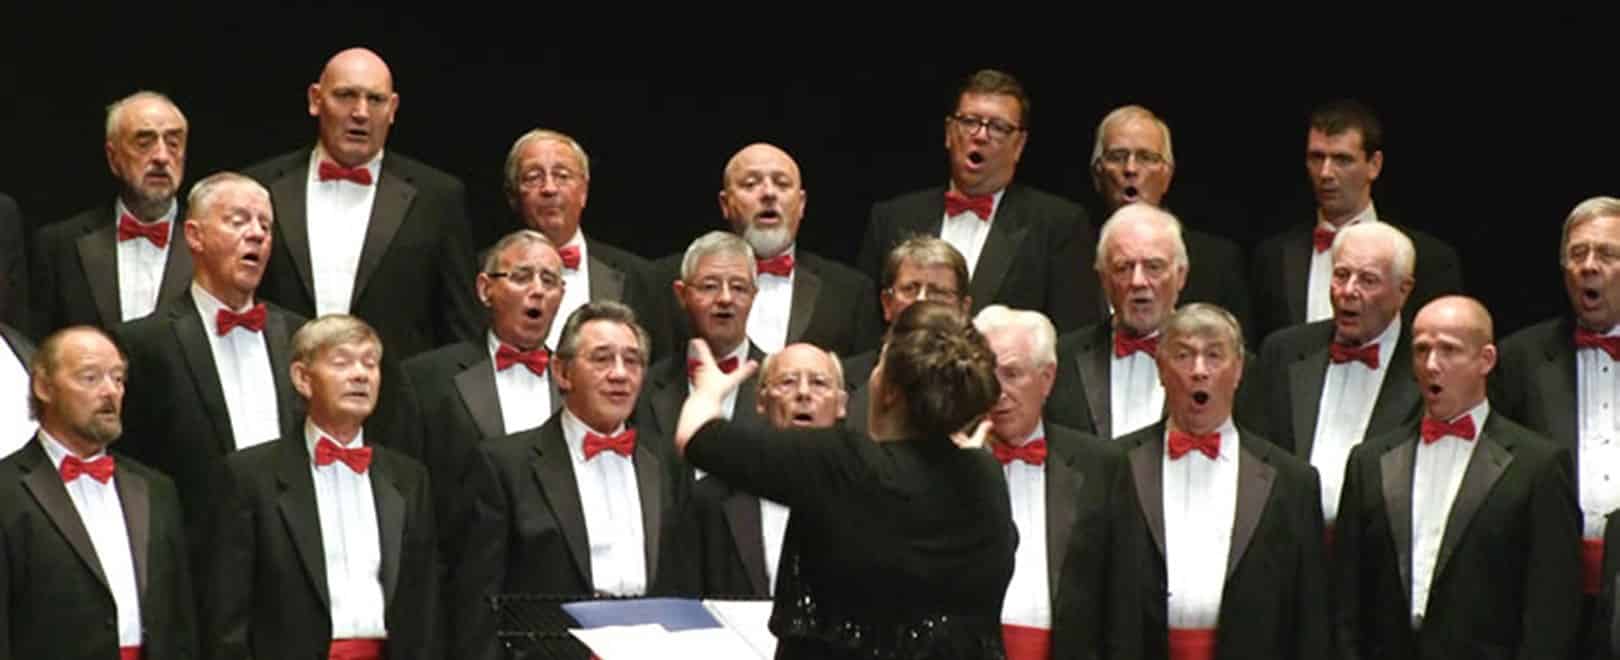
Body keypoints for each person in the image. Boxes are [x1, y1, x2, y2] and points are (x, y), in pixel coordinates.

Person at [675, 300, 1015, 659]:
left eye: (880, 363)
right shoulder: (985, 474)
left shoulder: (844, 462)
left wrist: (709, 390)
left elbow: (697, 437)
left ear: (891, 391)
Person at [1336, 296, 1581, 658]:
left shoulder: (1537, 465)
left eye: (1448, 350)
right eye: (1421, 350)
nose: (1431, 364)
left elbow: (1551, 608)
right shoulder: (1369, 461)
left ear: (1486, 360)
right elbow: (1348, 597)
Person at [451, 301, 692, 660]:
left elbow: (686, 582)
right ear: (561, 372)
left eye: (633, 361)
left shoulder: (667, 461)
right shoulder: (505, 464)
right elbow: (478, 602)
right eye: (601, 359)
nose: (620, 374)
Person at [199, 314, 438, 660]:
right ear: (302, 378)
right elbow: (227, 615)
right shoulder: (250, 477)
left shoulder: (409, 478)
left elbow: (425, 605)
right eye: (342, 362)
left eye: (370, 364)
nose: (360, 374)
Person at [1103, 303, 1332, 660]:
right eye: (1183, 355)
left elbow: (1311, 616)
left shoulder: (1293, 481)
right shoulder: (1114, 465)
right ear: (1160, 368)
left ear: (1238, 369)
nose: (1198, 371)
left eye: (1214, 356)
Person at [244, 47, 480, 362]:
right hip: (281, 393)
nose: (361, 112)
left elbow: (460, 325)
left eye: (375, 99)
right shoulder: (259, 187)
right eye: (345, 96)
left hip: (397, 400)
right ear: (315, 99)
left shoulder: (437, 197)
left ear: (393, 108)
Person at [114, 172, 306, 529]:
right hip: (195, 541)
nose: (257, 234)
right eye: (239, 221)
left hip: (289, 547)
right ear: (194, 236)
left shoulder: (298, 335)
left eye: (266, 225)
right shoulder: (144, 343)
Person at [0, 326, 197, 660]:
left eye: (118, 379)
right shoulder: (6, 489)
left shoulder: (156, 489)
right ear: (44, 387)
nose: (110, 392)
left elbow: (179, 619)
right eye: (90, 378)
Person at [858, 69, 1103, 333]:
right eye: (969, 121)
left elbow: (1075, 335)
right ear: (949, 133)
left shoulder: (1059, 225)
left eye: (998, 127)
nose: (980, 135)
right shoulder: (893, 217)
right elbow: (867, 326)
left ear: (1019, 145)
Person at [1492, 195, 1620, 642]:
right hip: (1545, 588)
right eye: (1577, 254)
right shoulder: (1520, 358)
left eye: (1606, 254)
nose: (1589, 266)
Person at [973, 304, 1123, 660]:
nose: (998, 391)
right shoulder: (952, 463)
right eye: (986, 374)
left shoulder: (1101, 466)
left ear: (1047, 378)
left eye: (1012, 374)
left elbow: (1121, 592)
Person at [1250, 99, 1463, 343]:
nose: (1325, 173)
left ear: (1374, 165)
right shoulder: (1272, 256)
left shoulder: (1429, 258)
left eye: (1342, 159)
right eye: (1317, 157)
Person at [1255, 222, 1423, 530]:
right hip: (1291, 540)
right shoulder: (1284, 351)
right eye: (1341, 275)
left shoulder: (1425, 367)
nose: (1348, 291)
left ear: (1404, 290)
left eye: (1368, 280)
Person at [657, 143, 881, 356]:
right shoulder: (669, 280)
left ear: (801, 203)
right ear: (725, 204)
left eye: (782, 184)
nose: (768, 193)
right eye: (751, 184)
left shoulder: (850, 291)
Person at [690, 342, 848, 597]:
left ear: (841, 404)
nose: (804, 393)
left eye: (819, 383)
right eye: (788, 382)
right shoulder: (710, 498)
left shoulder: (866, 492)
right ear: (762, 401)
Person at [31, 91, 194, 334]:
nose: (161, 157)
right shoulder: (59, 244)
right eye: (144, 142)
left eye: (173, 143)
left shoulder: (211, 241)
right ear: (113, 157)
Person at [502, 128, 667, 358]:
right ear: (513, 196)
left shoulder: (639, 276)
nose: (549, 188)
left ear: (584, 192)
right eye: (533, 177)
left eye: (562, 175)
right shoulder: (482, 271)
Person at [1088, 104, 1252, 335]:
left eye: (1146, 157)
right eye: (1118, 157)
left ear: (1167, 175)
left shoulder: (1217, 262)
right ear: (1098, 174)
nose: (1131, 169)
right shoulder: (1070, 253)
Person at [638, 231, 767, 456]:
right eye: (710, 286)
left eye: (738, 287)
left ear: (754, 295)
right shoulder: (645, 386)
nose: (725, 298)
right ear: (681, 294)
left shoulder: (777, 383)